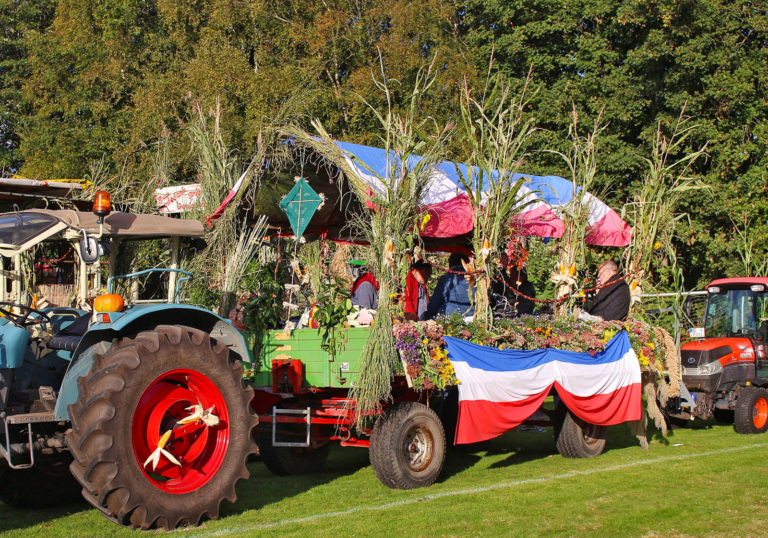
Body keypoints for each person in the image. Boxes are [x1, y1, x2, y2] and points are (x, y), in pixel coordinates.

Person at [426, 252, 474, 319]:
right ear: (467, 264)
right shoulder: (476, 279)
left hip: (451, 320)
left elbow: (433, 306)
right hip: (474, 317)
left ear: (450, 264)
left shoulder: (445, 279)